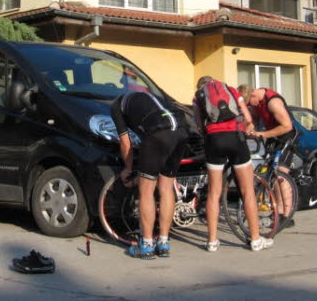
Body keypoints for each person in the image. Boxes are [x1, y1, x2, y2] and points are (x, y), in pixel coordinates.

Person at [193, 76, 274, 252]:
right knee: (247, 191)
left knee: (214, 193)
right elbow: (247, 117)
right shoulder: (230, 90)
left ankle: (212, 241)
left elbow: (199, 126)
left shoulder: (198, 97)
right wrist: (246, 129)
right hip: (235, 137)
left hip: (214, 140)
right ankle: (255, 239)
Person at [110, 90, 189, 259]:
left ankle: (146, 245)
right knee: (166, 189)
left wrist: (128, 168)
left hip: (157, 134)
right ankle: (164, 243)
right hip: (180, 132)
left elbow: (125, 142)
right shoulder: (151, 97)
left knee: (146, 191)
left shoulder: (116, 106)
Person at [244, 86, 296, 228]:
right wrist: (246, 131)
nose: (249, 107)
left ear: (253, 96)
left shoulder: (273, 103)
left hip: (286, 137)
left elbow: (287, 126)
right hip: (274, 137)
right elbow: (254, 119)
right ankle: (278, 212)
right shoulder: (257, 102)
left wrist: (263, 134)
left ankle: (287, 215)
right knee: (272, 176)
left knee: (281, 175)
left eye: (249, 104)